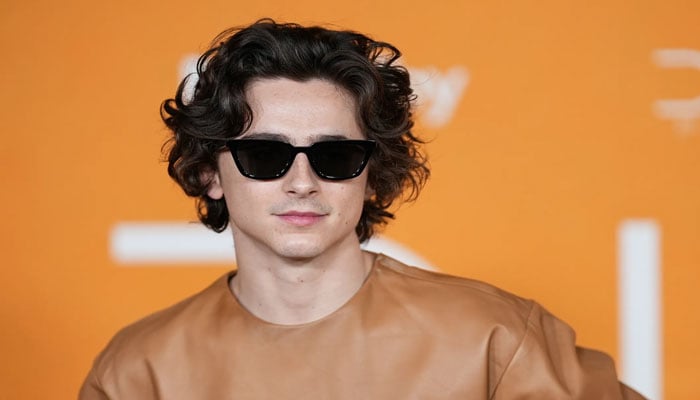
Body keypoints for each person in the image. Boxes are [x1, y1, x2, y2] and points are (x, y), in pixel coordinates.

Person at [80, 19, 646, 399]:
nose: (302, 182)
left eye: (335, 156)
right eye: (264, 155)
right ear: (210, 173)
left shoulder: (497, 341)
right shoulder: (139, 372)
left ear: (370, 172)